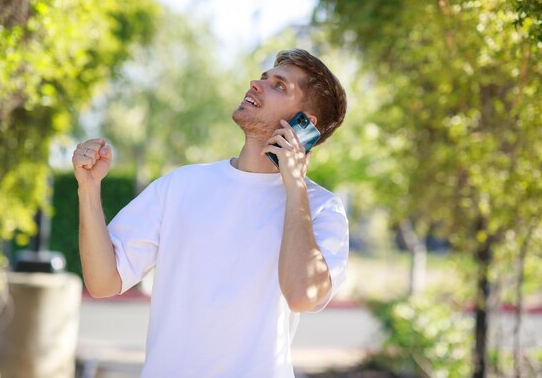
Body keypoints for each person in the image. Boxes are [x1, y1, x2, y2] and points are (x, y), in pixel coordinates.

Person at [72, 48, 349, 378]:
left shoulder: (320, 208)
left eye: (279, 86)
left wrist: (296, 186)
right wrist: (88, 188)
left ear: (305, 124)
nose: (256, 84)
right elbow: (104, 281)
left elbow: (303, 294)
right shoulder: (181, 184)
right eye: (263, 78)